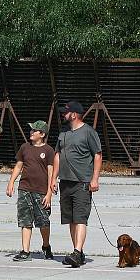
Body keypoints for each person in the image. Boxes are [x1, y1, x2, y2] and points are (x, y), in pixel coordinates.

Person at [50, 101, 102, 268]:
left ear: (73, 114)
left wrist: (94, 179)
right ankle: (77, 252)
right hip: (65, 182)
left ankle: (77, 252)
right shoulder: (63, 133)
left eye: (65, 112)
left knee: (80, 218)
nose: (62, 115)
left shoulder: (88, 132)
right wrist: (53, 179)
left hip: (82, 182)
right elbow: (58, 155)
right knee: (71, 219)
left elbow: (98, 155)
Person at [6, 120, 55, 261]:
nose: (31, 132)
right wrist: (11, 182)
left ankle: (46, 246)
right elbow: (18, 166)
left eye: (34, 130)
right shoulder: (24, 147)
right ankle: (25, 251)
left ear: (42, 134)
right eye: (31, 130)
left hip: (41, 191)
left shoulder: (49, 151)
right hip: (25, 189)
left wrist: (49, 194)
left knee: (43, 222)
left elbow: (51, 173)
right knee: (25, 221)